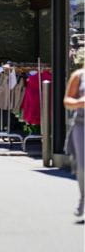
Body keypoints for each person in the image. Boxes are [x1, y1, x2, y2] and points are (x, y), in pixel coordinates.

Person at [64, 47, 85, 218]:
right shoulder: (78, 76)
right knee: (82, 167)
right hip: (81, 125)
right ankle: (83, 197)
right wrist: (80, 102)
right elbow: (67, 101)